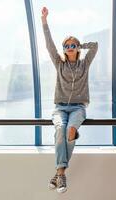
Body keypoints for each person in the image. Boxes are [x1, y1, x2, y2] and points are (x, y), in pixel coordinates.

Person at [41, 7, 98, 193]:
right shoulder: (59, 64)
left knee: (71, 130)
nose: (69, 48)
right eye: (67, 46)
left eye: (73, 45)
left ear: (77, 48)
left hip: (78, 108)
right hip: (60, 107)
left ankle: (58, 173)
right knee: (60, 130)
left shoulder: (84, 64)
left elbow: (95, 45)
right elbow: (49, 45)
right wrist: (44, 21)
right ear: (64, 50)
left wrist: (80, 45)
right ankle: (61, 173)